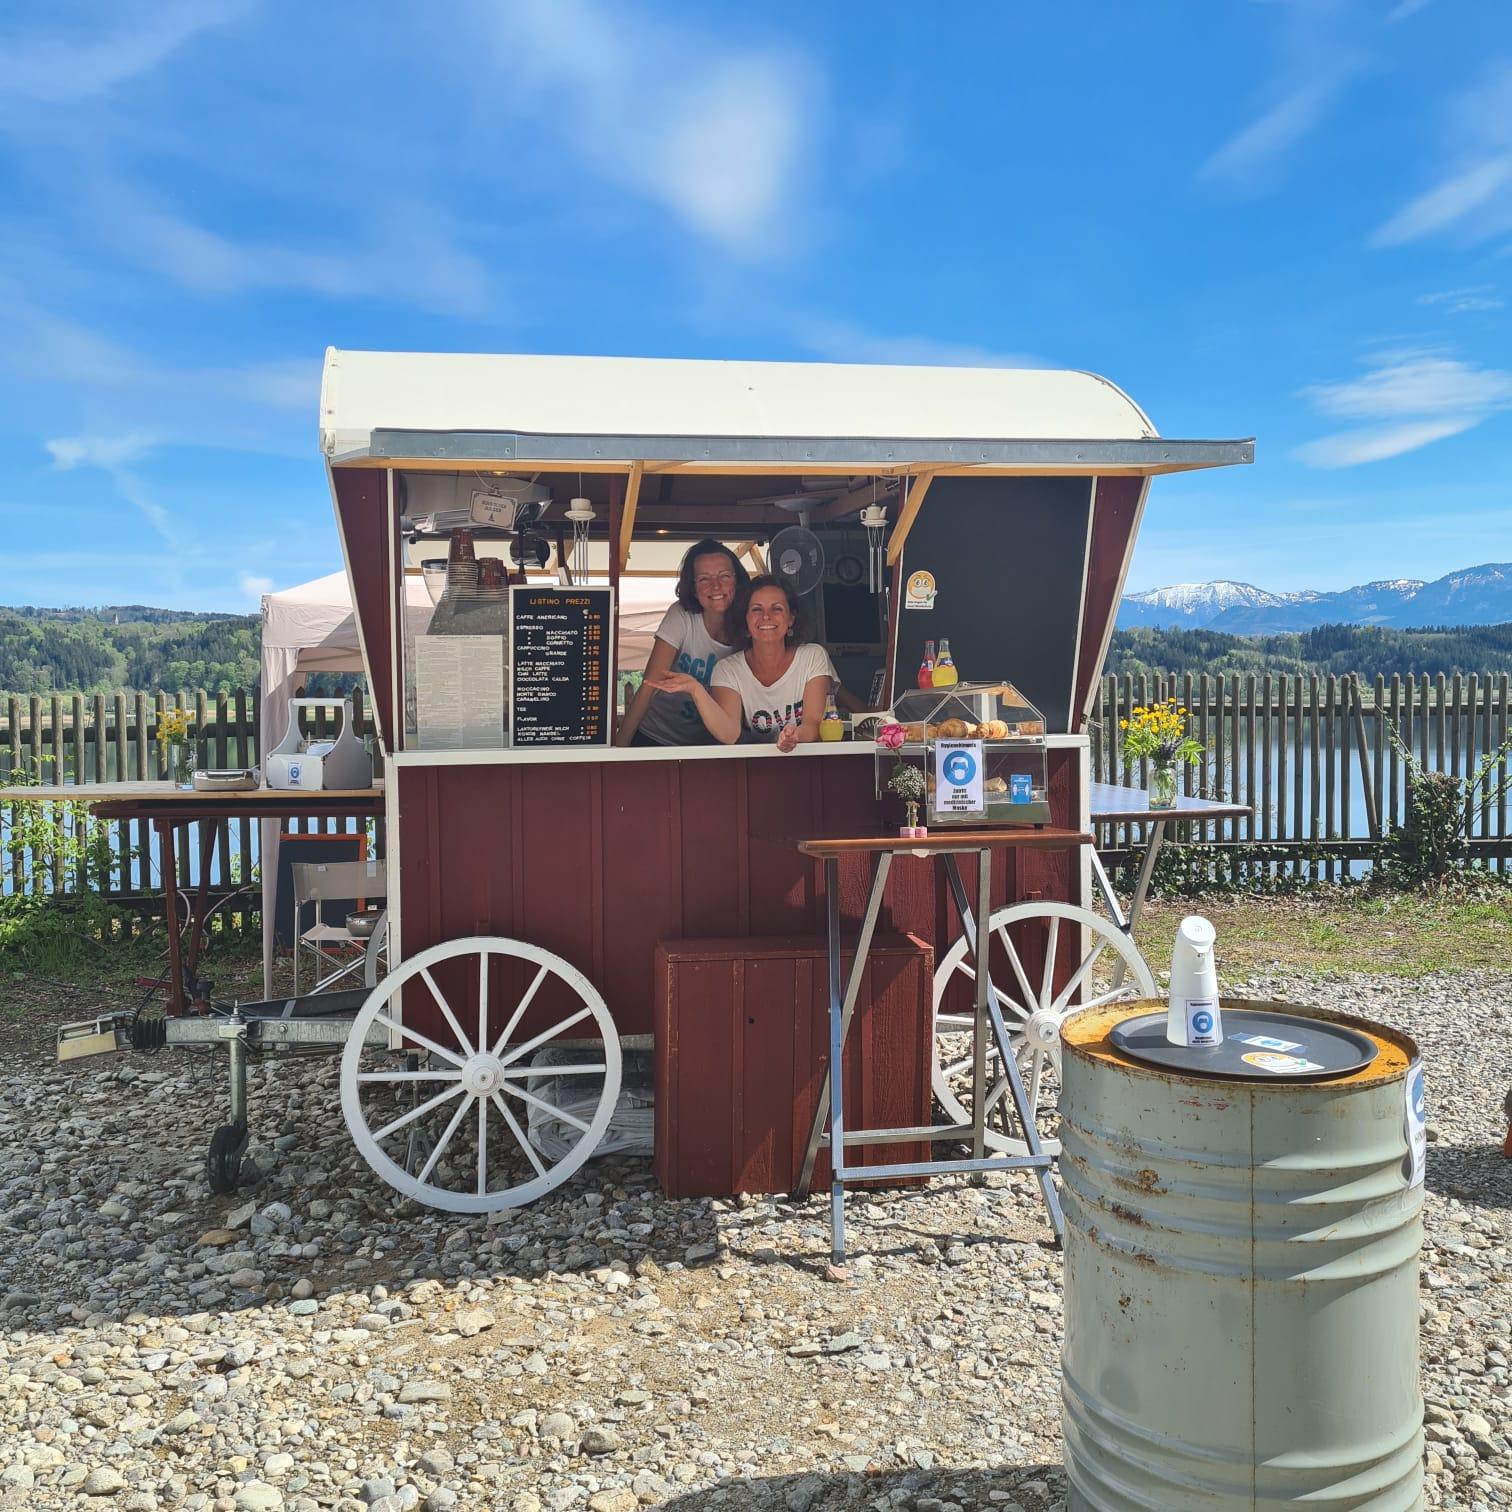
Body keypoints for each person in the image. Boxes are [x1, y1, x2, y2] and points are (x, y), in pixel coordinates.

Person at [649, 575, 836, 752]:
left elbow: (812, 724)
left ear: (791, 619)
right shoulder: (727, 670)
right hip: (752, 770)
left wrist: (793, 736)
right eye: (756, 609)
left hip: (808, 767)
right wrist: (696, 690)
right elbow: (729, 733)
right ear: (745, 621)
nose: (766, 616)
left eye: (776, 608)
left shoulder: (813, 656)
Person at [615, 540, 749, 747]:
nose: (716, 586)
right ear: (693, 588)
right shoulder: (682, 615)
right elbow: (649, 686)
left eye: (724, 576)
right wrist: (619, 751)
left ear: (737, 582)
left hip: (714, 744)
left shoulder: (751, 625)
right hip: (656, 736)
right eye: (704, 578)